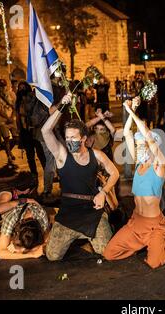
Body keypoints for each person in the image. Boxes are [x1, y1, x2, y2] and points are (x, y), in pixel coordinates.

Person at [41, 93, 119, 260]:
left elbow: (115, 173)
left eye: (73, 138)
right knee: (53, 256)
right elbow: (45, 130)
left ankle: (87, 235)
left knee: (107, 252)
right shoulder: (61, 155)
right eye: (67, 137)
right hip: (68, 212)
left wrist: (103, 192)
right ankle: (76, 237)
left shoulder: (96, 155)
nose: (69, 141)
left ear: (83, 138)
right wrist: (61, 106)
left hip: (92, 211)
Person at [103, 97, 165, 269]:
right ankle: (141, 245)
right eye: (138, 145)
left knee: (154, 263)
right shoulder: (138, 164)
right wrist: (129, 110)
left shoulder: (159, 166)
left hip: (154, 226)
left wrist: (132, 112)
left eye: (144, 145)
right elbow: (127, 133)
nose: (140, 148)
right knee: (109, 253)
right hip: (136, 223)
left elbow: (148, 136)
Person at [15, 81, 46, 178]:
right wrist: (19, 129)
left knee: (40, 153)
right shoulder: (18, 102)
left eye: (23, 87)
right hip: (25, 132)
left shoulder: (32, 99)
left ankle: (47, 172)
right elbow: (18, 116)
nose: (22, 90)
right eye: (20, 88)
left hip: (35, 130)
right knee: (30, 155)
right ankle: (34, 175)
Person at [0, 79, 18, 164]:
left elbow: (15, 106)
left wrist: (12, 116)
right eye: (1, 86)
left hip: (12, 119)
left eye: (4, 86)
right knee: (6, 139)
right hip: (3, 121)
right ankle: (9, 156)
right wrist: (7, 118)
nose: (3, 88)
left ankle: (8, 151)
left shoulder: (11, 94)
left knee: (15, 138)